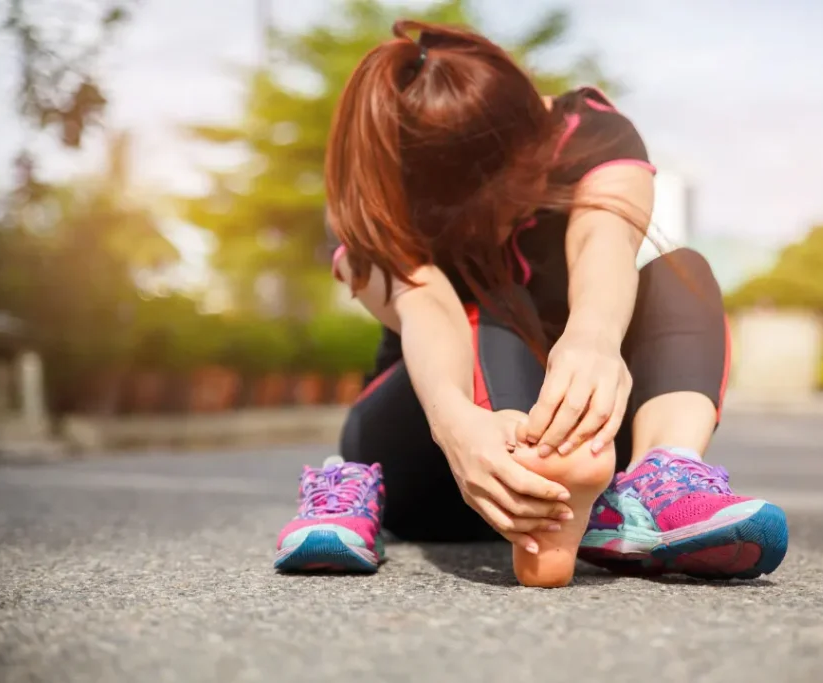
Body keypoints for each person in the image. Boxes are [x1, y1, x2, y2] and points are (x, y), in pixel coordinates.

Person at [274, 20, 788, 586]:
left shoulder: (586, 131)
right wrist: (455, 425)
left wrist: (593, 339)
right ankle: (520, 489)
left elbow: (604, 240)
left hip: (585, 450)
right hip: (428, 452)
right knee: (494, 306)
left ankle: (659, 482)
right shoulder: (374, 201)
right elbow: (431, 311)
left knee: (681, 271)